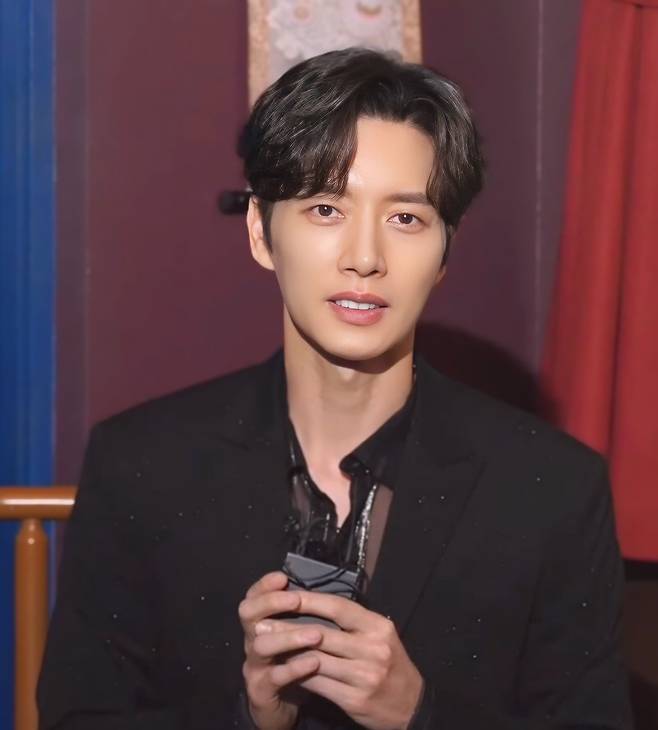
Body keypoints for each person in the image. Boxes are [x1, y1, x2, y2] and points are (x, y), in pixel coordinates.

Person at [38, 48, 632, 730]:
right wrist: (252, 718)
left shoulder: (551, 489)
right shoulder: (141, 466)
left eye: (406, 219)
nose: (365, 257)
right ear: (261, 231)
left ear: (445, 251)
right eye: (326, 208)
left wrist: (418, 716)